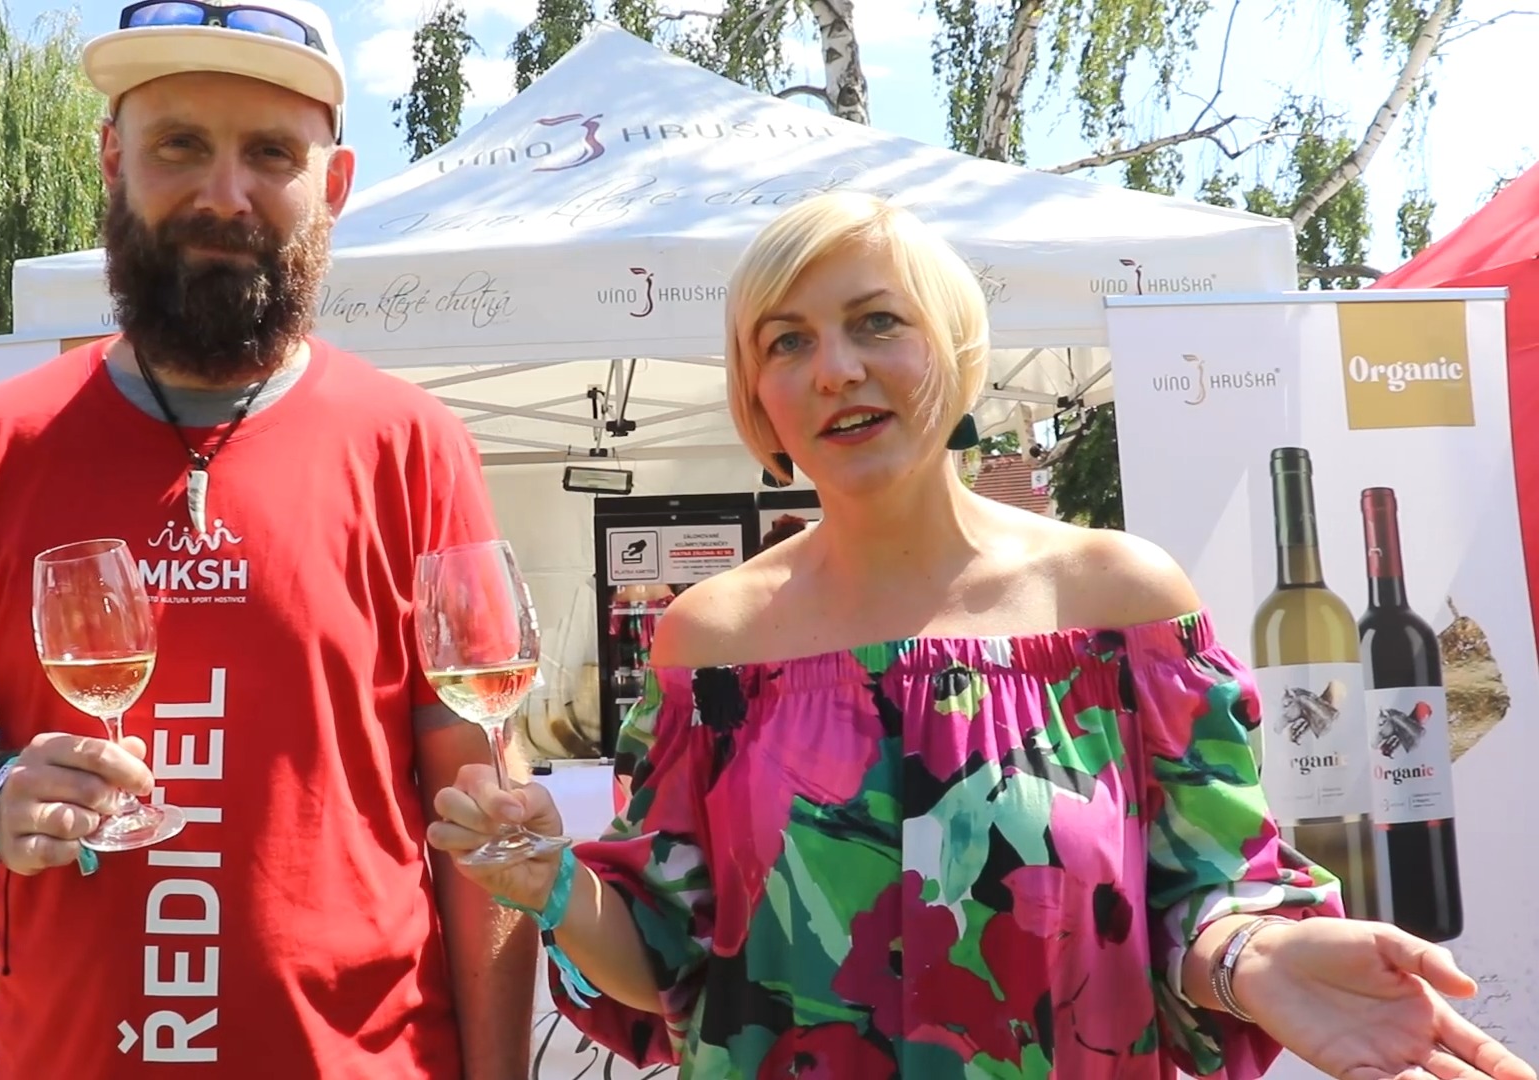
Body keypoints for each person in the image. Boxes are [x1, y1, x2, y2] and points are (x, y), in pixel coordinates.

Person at [427, 192, 1539, 1080]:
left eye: (877, 323)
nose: (836, 368)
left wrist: (1260, 954)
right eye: (787, 341)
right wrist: (554, 886)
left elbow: (1208, 895)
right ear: (759, 400)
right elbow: (668, 962)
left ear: (955, 350)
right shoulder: (709, 646)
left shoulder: (1119, 606)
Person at [0, 2, 535, 1076]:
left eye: (270, 152)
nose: (224, 194)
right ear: (113, 161)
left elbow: (481, 810)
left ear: (334, 184)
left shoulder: (413, 448)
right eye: (179, 144)